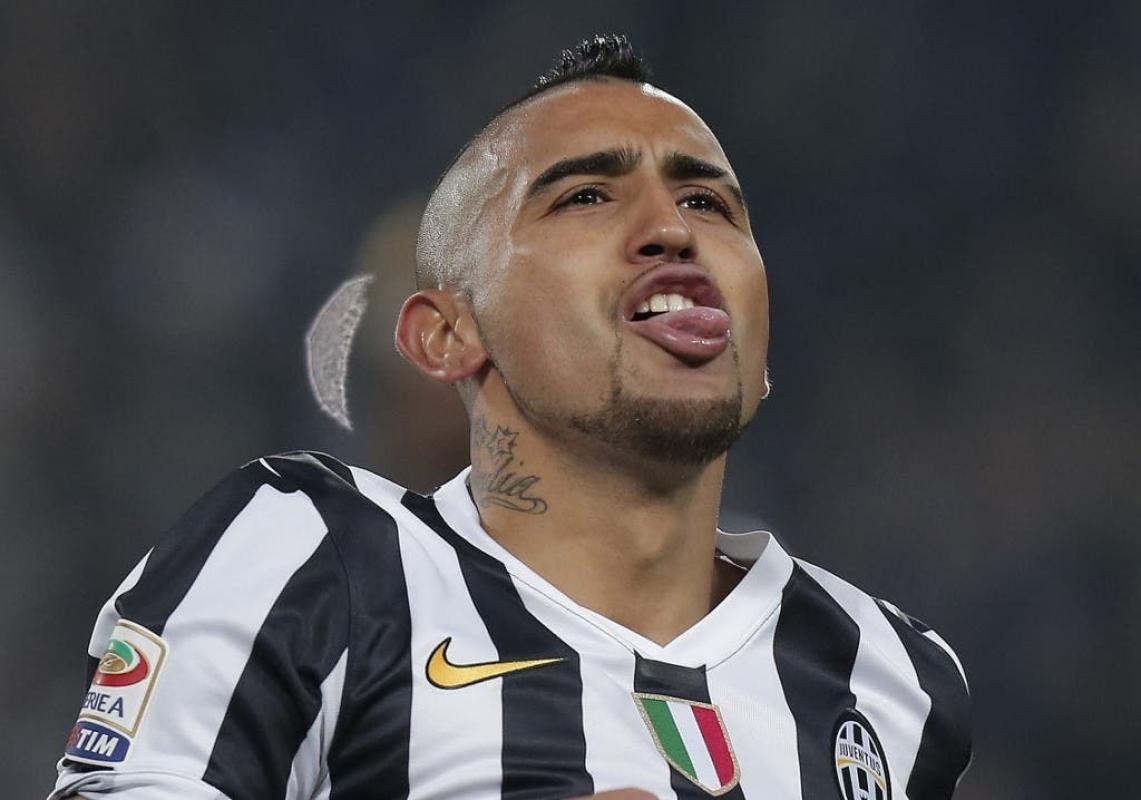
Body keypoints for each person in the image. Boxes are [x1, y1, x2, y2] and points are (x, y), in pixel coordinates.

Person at [50, 34, 971, 800]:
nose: (673, 229)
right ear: (447, 334)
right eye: (586, 196)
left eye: (707, 201)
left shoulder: (895, 677)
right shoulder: (309, 559)